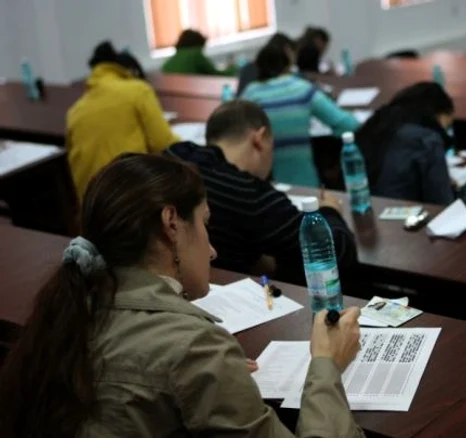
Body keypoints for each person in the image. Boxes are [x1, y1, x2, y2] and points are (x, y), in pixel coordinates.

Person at [0, 153, 364, 438]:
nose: (212, 251)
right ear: (172, 224)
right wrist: (326, 363)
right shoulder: (193, 347)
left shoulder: (69, 311)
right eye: (205, 224)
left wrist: (217, 378)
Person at [165, 100, 357, 285]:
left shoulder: (173, 157)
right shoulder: (251, 195)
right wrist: (329, 210)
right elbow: (336, 250)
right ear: (259, 138)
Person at [66, 41, 179, 201]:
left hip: (90, 204)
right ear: (132, 72)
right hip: (129, 198)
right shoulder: (137, 90)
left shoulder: (75, 110)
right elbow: (163, 143)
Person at [355, 82, 466, 207]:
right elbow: (446, 212)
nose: (446, 132)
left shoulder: (376, 125)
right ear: (439, 114)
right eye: (447, 125)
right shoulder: (427, 139)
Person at [242, 44, 360, 187]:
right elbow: (348, 124)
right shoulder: (301, 88)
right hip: (305, 185)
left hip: (263, 188)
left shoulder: (250, 94)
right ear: (288, 65)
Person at [161, 29, 238, 75]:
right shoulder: (195, 55)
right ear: (198, 44)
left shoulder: (167, 64)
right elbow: (216, 74)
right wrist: (234, 68)